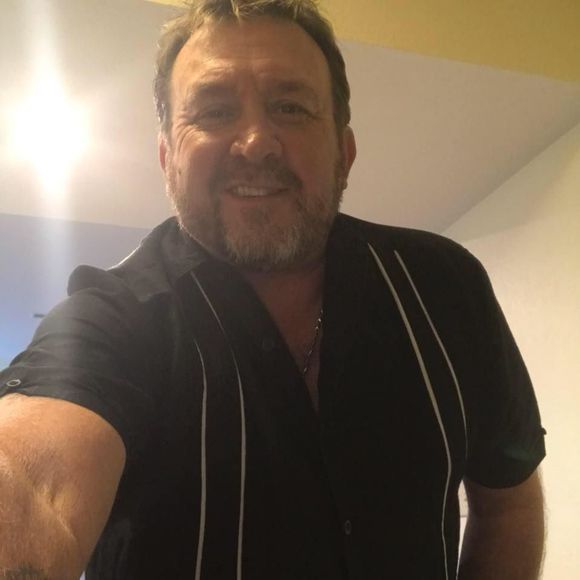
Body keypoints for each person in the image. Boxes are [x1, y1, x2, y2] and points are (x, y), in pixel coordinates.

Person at [0, 1, 546, 578]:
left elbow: (509, 505)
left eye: (291, 107)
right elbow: (32, 480)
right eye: (214, 112)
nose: (257, 142)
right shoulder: (111, 319)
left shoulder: (446, 287)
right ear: (166, 158)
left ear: (344, 153)